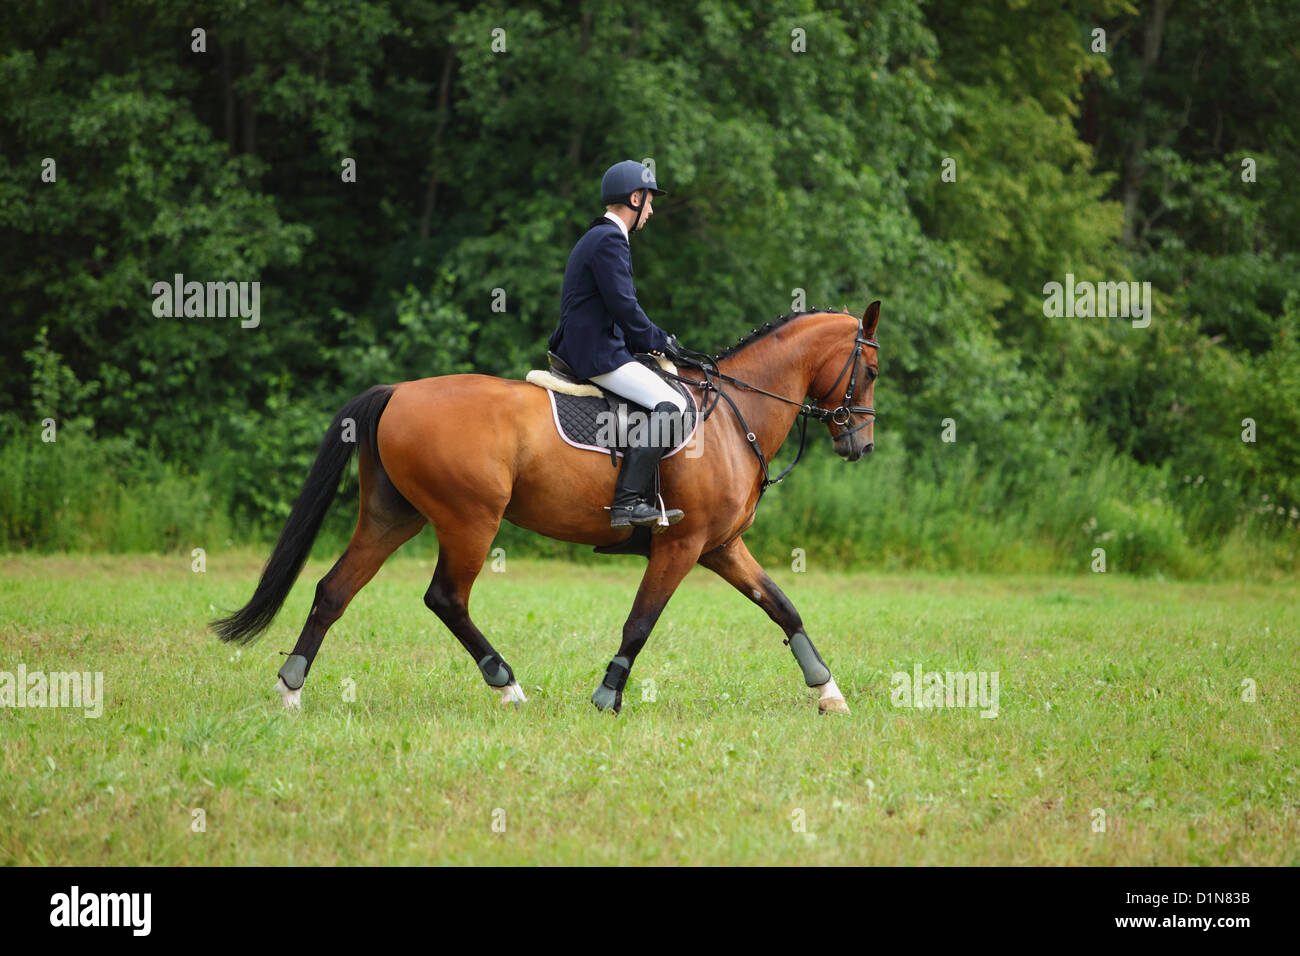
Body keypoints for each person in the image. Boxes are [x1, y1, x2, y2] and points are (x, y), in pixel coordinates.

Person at [548, 160, 689, 530]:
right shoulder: (610, 239)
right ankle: (628, 503)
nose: (652, 210)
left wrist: (648, 345)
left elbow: (612, 307)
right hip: (596, 355)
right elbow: (624, 306)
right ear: (635, 197)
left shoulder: (598, 237)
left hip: (596, 346)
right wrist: (661, 342)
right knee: (672, 405)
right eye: (650, 201)